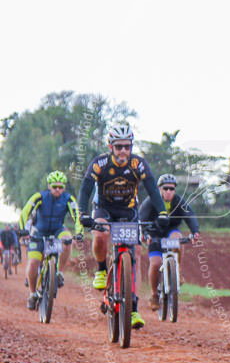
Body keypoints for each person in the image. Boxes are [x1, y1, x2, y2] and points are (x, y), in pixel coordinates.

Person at [77, 125, 166, 329]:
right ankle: (101, 270)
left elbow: (152, 189)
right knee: (101, 234)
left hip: (128, 211)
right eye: (119, 147)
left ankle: (133, 308)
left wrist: (162, 212)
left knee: (135, 253)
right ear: (111, 147)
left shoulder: (138, 164)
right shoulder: (99, 163)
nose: (123, 151)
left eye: (127, 146)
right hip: (104, 209)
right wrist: (83, 213)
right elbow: (85, 188)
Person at [18, 171, 83, 309]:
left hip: (57, 229)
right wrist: (23, 229)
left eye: (60, 187)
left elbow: (77, 215)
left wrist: (79, 232)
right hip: (39, 231)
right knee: (34, 261)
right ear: (49, 186)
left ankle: (58, 272)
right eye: (54, 187)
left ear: (64, 187)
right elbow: (25, 212)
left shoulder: (68, 198)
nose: (57, 190)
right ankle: (32, 293)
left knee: (67, 240)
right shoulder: (40, 196)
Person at [139, 173, 200, 310]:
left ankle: (177, 271)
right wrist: (144, 233)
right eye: (165, 188)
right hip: (154, 234)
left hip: (170, 231)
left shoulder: (179, 201)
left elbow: (189, 215)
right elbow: (141, 218)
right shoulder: (151, 201)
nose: (168, 192)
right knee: (155, 264)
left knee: (177, 239)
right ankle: (154, 295)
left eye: (172, 189)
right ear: (159, 189)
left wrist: (195, 232)